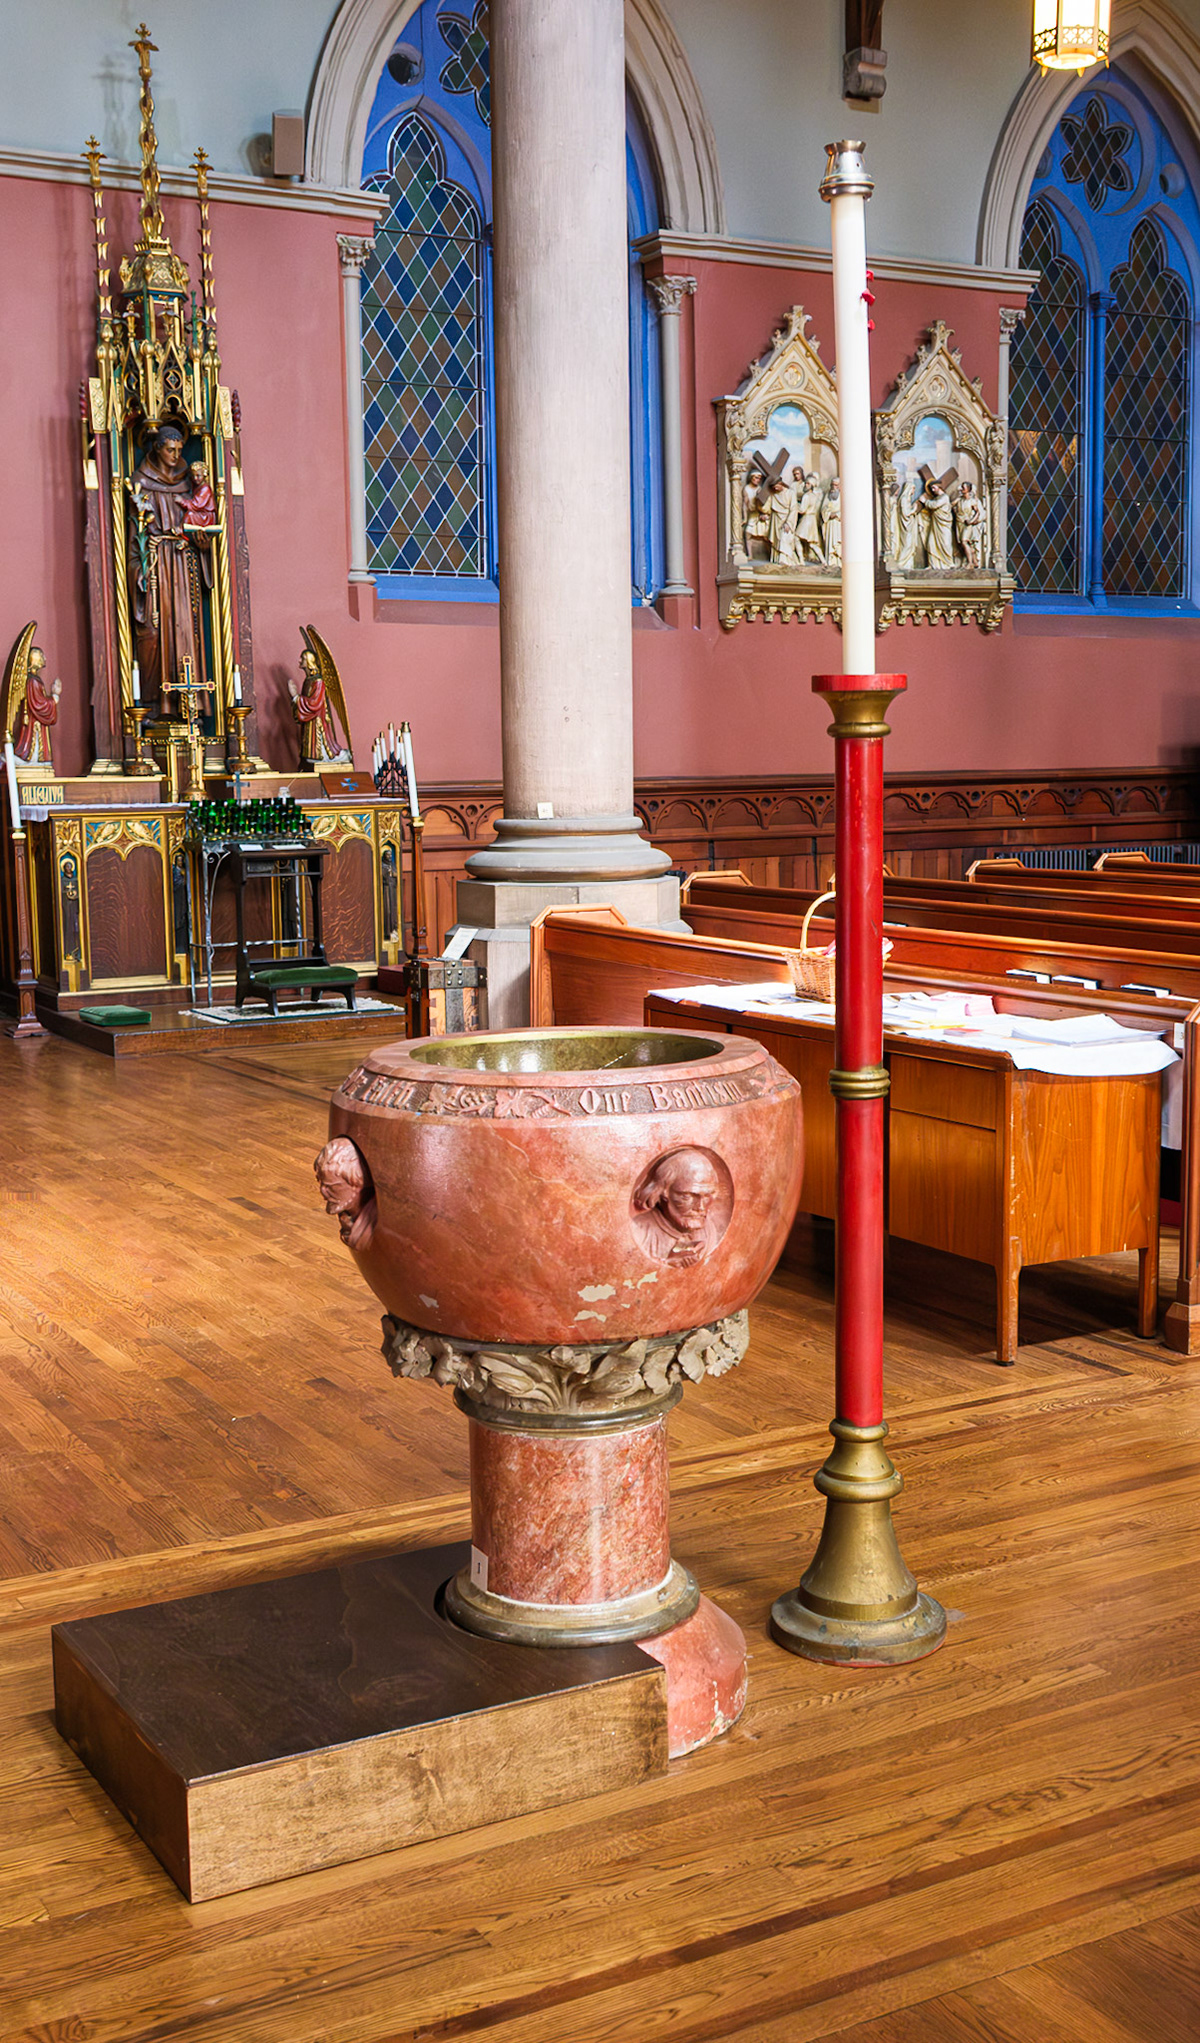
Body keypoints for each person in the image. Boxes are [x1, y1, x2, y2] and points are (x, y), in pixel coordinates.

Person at [128, 422, 213, 707]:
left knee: (187, 634)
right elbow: (131, 542)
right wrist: (139, 570)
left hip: (183, 564)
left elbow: (203, 524)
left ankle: (190, 705)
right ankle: (155, 704)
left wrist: (201, 542)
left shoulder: (190, 483)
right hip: (155, 565)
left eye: (179, 450)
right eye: (170, 450)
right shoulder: (141, 483)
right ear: (157, 448)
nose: (176, 456)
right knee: (151, 634)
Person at [632, 1149, 725, 1267]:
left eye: (707, 1196)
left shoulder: (708, 1229)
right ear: (664, 1192)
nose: (700, 1207)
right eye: (687, 1196)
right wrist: (666, 1263)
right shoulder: (641, 1231)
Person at [314, 1138, 378, 1251]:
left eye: (331, 1187)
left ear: (357, 1182)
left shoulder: (378, 1223)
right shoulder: (348, 1218)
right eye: (321, 1184)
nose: (323, 1192)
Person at [289, 648, 347, 765]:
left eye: (303, 658)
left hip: (317, 720)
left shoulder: (318, 681)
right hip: (310, 721)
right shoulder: (309, 680)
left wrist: (296, 697)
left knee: (321, 745)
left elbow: (315, 703)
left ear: (309, 661)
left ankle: (327, 756)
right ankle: (312, 756)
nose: (300, 660)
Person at [12, 647, 61, 768]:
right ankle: (30, 759)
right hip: (33, 722)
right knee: (32, 746)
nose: (44, 658)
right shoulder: (33, 681)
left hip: (35, 721)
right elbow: (38, 704)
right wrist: (54, 697)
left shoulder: (35, 680)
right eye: (41, 655)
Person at [917, 475, 956, 570]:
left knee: (945, 544)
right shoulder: (937, 498)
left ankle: (948, 563)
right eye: (931, 488)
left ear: (939, 487)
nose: (933, 490)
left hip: (943, 525)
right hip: (935, 525)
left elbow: (934, 505)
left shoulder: (944, 497)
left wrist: (924, 501)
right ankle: (933, 564)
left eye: (934, 488)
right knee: (931, 543)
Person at [767, 475, 800, 566]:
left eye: (776, 486)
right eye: (774, 487)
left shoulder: (790, 493)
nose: (775, 488)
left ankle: (785, 560)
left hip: (787, 520)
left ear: (780, 483)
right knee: (777, 541)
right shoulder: (774, 495)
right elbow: (768, 507)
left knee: (785, 538)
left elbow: (793, 508)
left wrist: (789, 523)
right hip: (777, 520)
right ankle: (777, 559)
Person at [954, 479, 985, 571]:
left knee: (964, 541)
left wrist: (971, 521)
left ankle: (970, 563)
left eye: (963, 488)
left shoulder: (972, 501)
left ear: (968, 489)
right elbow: (951, 506)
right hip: (959, 523)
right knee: (968, 543)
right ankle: (975, 562)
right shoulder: (960, 500)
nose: (961, 489)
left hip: (967, 525)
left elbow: (978, 513)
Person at [181, 460, 217, 530]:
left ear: (204, 475)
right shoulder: (196, 486)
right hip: (200, 513)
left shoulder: (205, 488)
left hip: (206, 516)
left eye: (198, 475)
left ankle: (181, 531)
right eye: (193, 476)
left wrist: (182, 501)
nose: (195, 478)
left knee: (189, 515)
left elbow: (196, 504)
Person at [820, 477, 842, 567]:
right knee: (830, 543)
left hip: (839, 523)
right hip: (830, 523)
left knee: (838, 543)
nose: (833, 487)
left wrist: (837, 514)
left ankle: (839, 562)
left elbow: (848, 509)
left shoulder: (844, 495)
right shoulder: (827, 495)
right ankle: (831, 562)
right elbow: (823, 508)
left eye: (836, 485)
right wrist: (829, 514)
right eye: (832, 485)